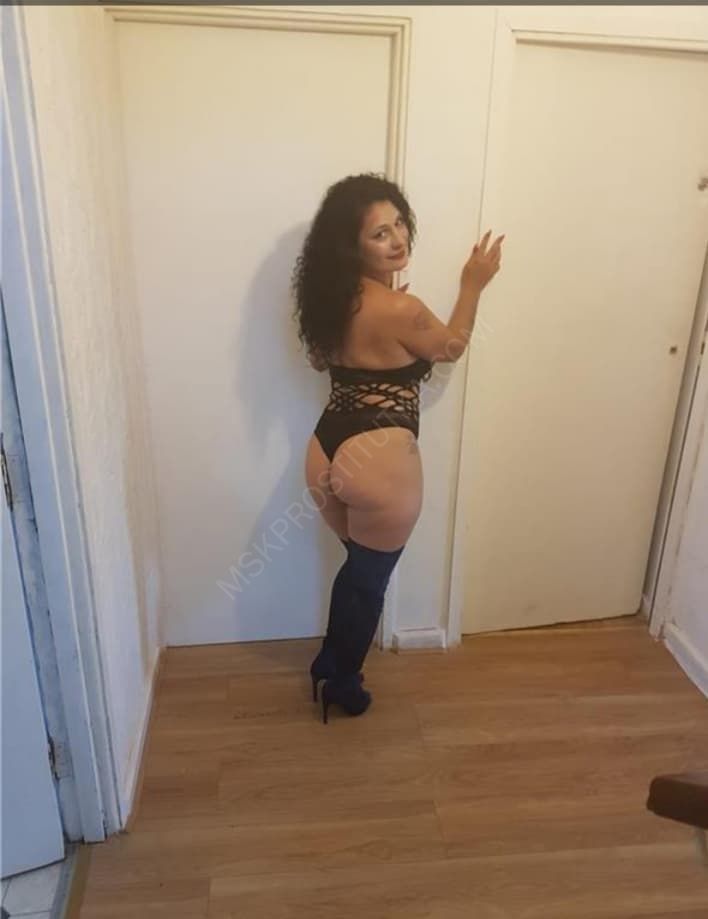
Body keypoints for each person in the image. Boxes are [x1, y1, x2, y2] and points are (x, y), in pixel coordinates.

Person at [292, 173, 504, 723]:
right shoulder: (400, 310)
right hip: (379, 460)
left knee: (358, 570)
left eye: (399, 225)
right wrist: (473, 284)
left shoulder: (329, 302)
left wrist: (390, 313)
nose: (398, 239)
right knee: (369, 581)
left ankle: (327, 664)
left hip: (324, 449)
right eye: (379, 234)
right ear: (352, 246)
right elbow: (450, 347)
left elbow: (322, 360)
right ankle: (343, 682)